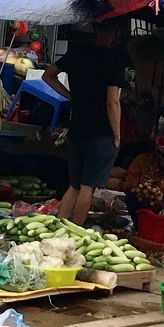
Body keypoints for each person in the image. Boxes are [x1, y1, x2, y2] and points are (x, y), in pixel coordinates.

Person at [49, 12, 125, 225]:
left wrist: (70, 95)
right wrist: (117, 135)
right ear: (114, 32)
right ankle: (76, 230)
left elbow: (48, 75)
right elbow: (112, 102)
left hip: (77, 130)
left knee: (73, 185)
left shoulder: (78, 52)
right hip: (101, 133)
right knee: (87, 187)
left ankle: (59, 226)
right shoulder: (114, 60)